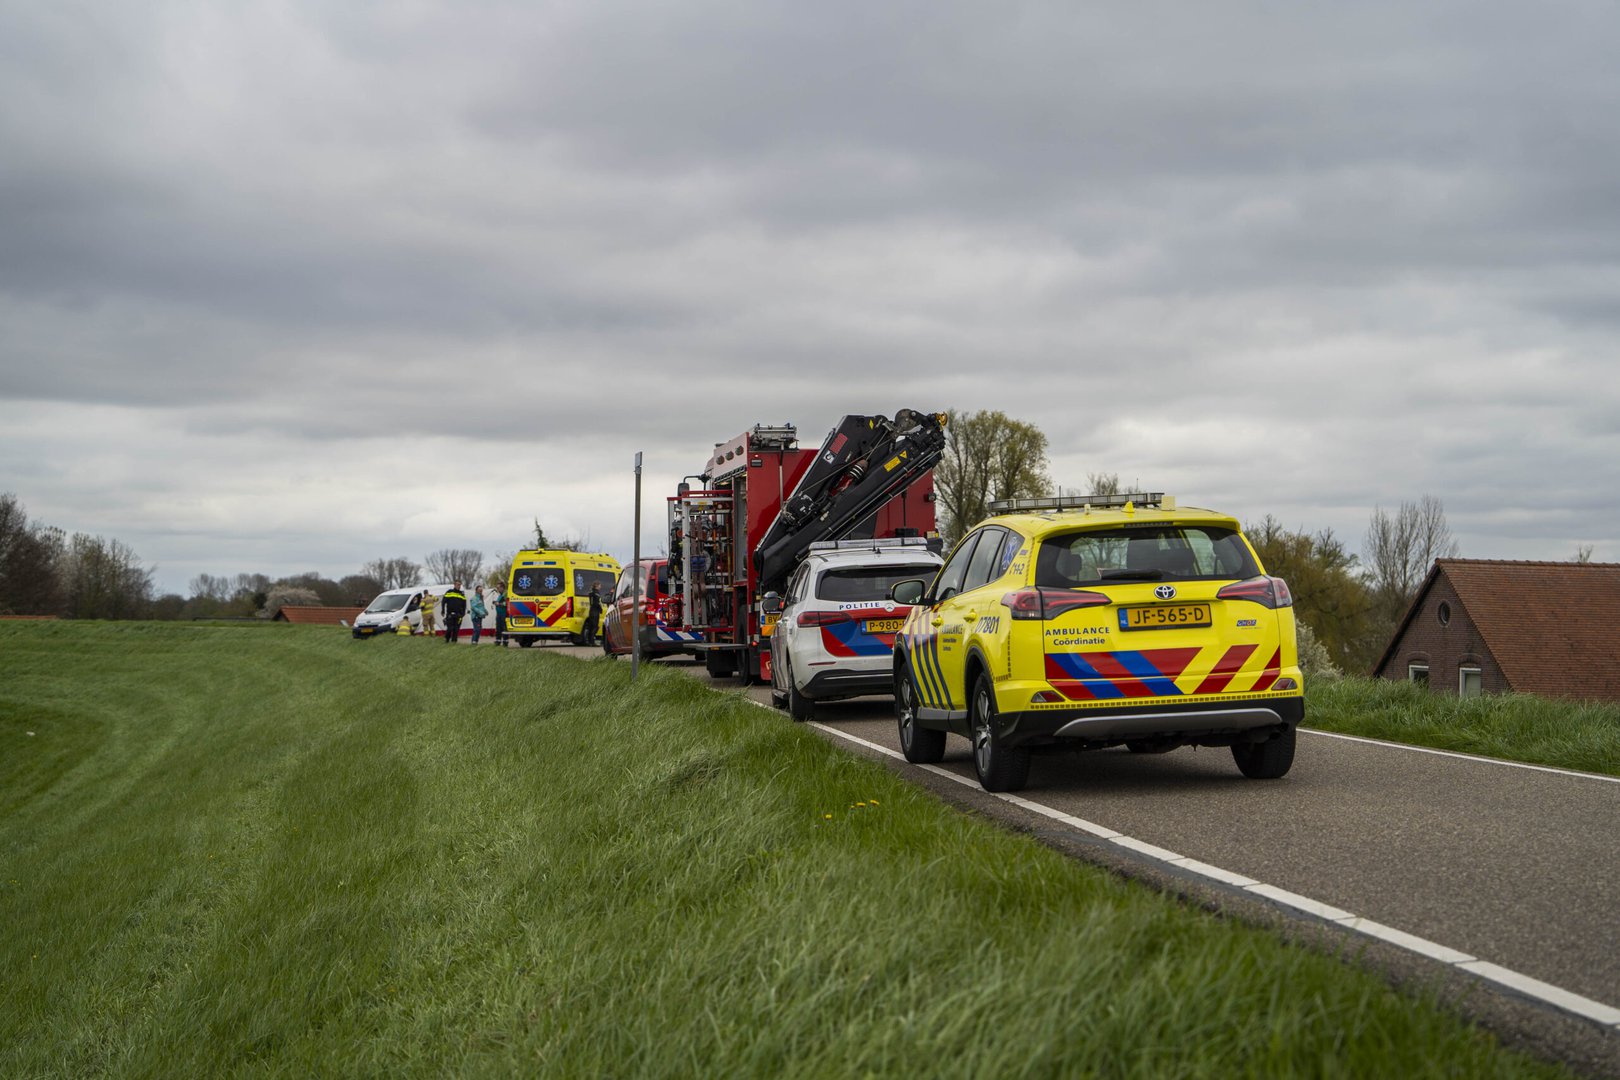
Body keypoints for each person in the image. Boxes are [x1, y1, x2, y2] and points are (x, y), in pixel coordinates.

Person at [582, 581, 604, 646]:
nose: (600, 587)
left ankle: (589, 641)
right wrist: (600, 609)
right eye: (599, 586)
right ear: (597, 586)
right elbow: (597, 603)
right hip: (595, 611)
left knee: (591, 626)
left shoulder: (591, 593)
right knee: (594, 627)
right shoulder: (596, 593)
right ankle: (592, 641)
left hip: (591, 610)